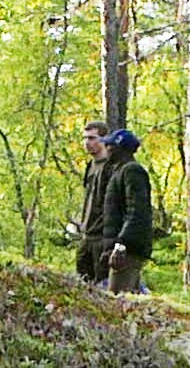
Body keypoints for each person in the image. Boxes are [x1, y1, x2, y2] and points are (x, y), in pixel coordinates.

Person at [101, 128, 152, 294]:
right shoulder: (119, 172)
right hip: (121, 248)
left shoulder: (132, 171)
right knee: (129, 299)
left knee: (117, 301)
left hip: (126, 252)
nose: (106, 149)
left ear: (119, 148)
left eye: (109, 145)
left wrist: (122, 244)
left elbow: (137, 211)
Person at [75, 120, 112, 284]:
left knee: (103, 283)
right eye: (85, 138)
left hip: (102, 236)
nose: (87, 143)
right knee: (83, 280)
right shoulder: (90, 166)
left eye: (92, 138)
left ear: (104, 140)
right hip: (87, 234)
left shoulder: (112, 167)